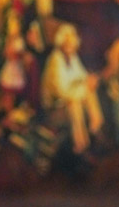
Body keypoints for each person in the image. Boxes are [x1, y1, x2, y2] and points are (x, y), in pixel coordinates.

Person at [40, 23, 103, 155]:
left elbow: (82, 76)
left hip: (71, 96)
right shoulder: (55, 60)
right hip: (55, 104)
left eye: (72, 44)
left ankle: (96, 128)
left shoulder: (73, 57)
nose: (69, 47)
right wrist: (81, 90)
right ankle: (81, 145)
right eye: (66, 43)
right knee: (74, 103)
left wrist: (89, 81)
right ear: (61, 44)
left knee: (89, 92)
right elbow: (61, 91)